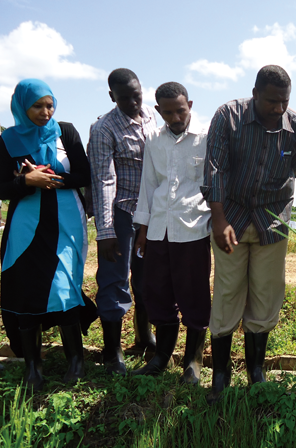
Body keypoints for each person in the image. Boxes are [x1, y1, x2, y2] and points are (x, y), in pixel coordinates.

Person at [203, 65, 296, 403]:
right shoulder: (228, 117)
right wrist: (219, 219)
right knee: (228, 291)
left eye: (284, 101)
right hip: (230, 216)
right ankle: (221, 374)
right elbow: (215, 168)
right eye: (272, 101)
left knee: (266, 293)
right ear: (255, 94)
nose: (279, 108)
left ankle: (256, 371)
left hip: (272, 219)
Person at [0, 79, 91, 389]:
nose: (45, 112)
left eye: (50, 105)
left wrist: (50, 178)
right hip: (26, 227)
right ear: (21, 106)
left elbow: (84, 174)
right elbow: (1, 187)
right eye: (37, 106)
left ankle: (76, 361)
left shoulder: (66, 131)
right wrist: (26, 182)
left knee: (64, 287)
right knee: (24, 289)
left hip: (66, 222)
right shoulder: (7, 140)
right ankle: (32, 366)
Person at [130, 82, 211, 385]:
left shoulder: (206, 137)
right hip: (159, 228)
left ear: (190, 105)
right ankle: (161, 357)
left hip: (193, 227)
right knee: (157, 291)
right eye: (168, 113)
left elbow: (212, 184)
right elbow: (148, 185)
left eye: (180, 110)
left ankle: (193, 361)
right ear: (158, 111)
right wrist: (143, 229)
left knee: (194, 293)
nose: (176, 118)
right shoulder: (154, 139)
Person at [88, 68, 158, 375]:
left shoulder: (152, 117)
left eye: (137, 95)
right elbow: (103, 180)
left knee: (147, 278)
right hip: (121, 213)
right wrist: (106, 231)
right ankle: (112, 350)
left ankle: (144, 337)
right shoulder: (104, 128)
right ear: (111, 96)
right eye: (124, 97)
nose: (133, 102)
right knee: (114, 280)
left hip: (151, 214)